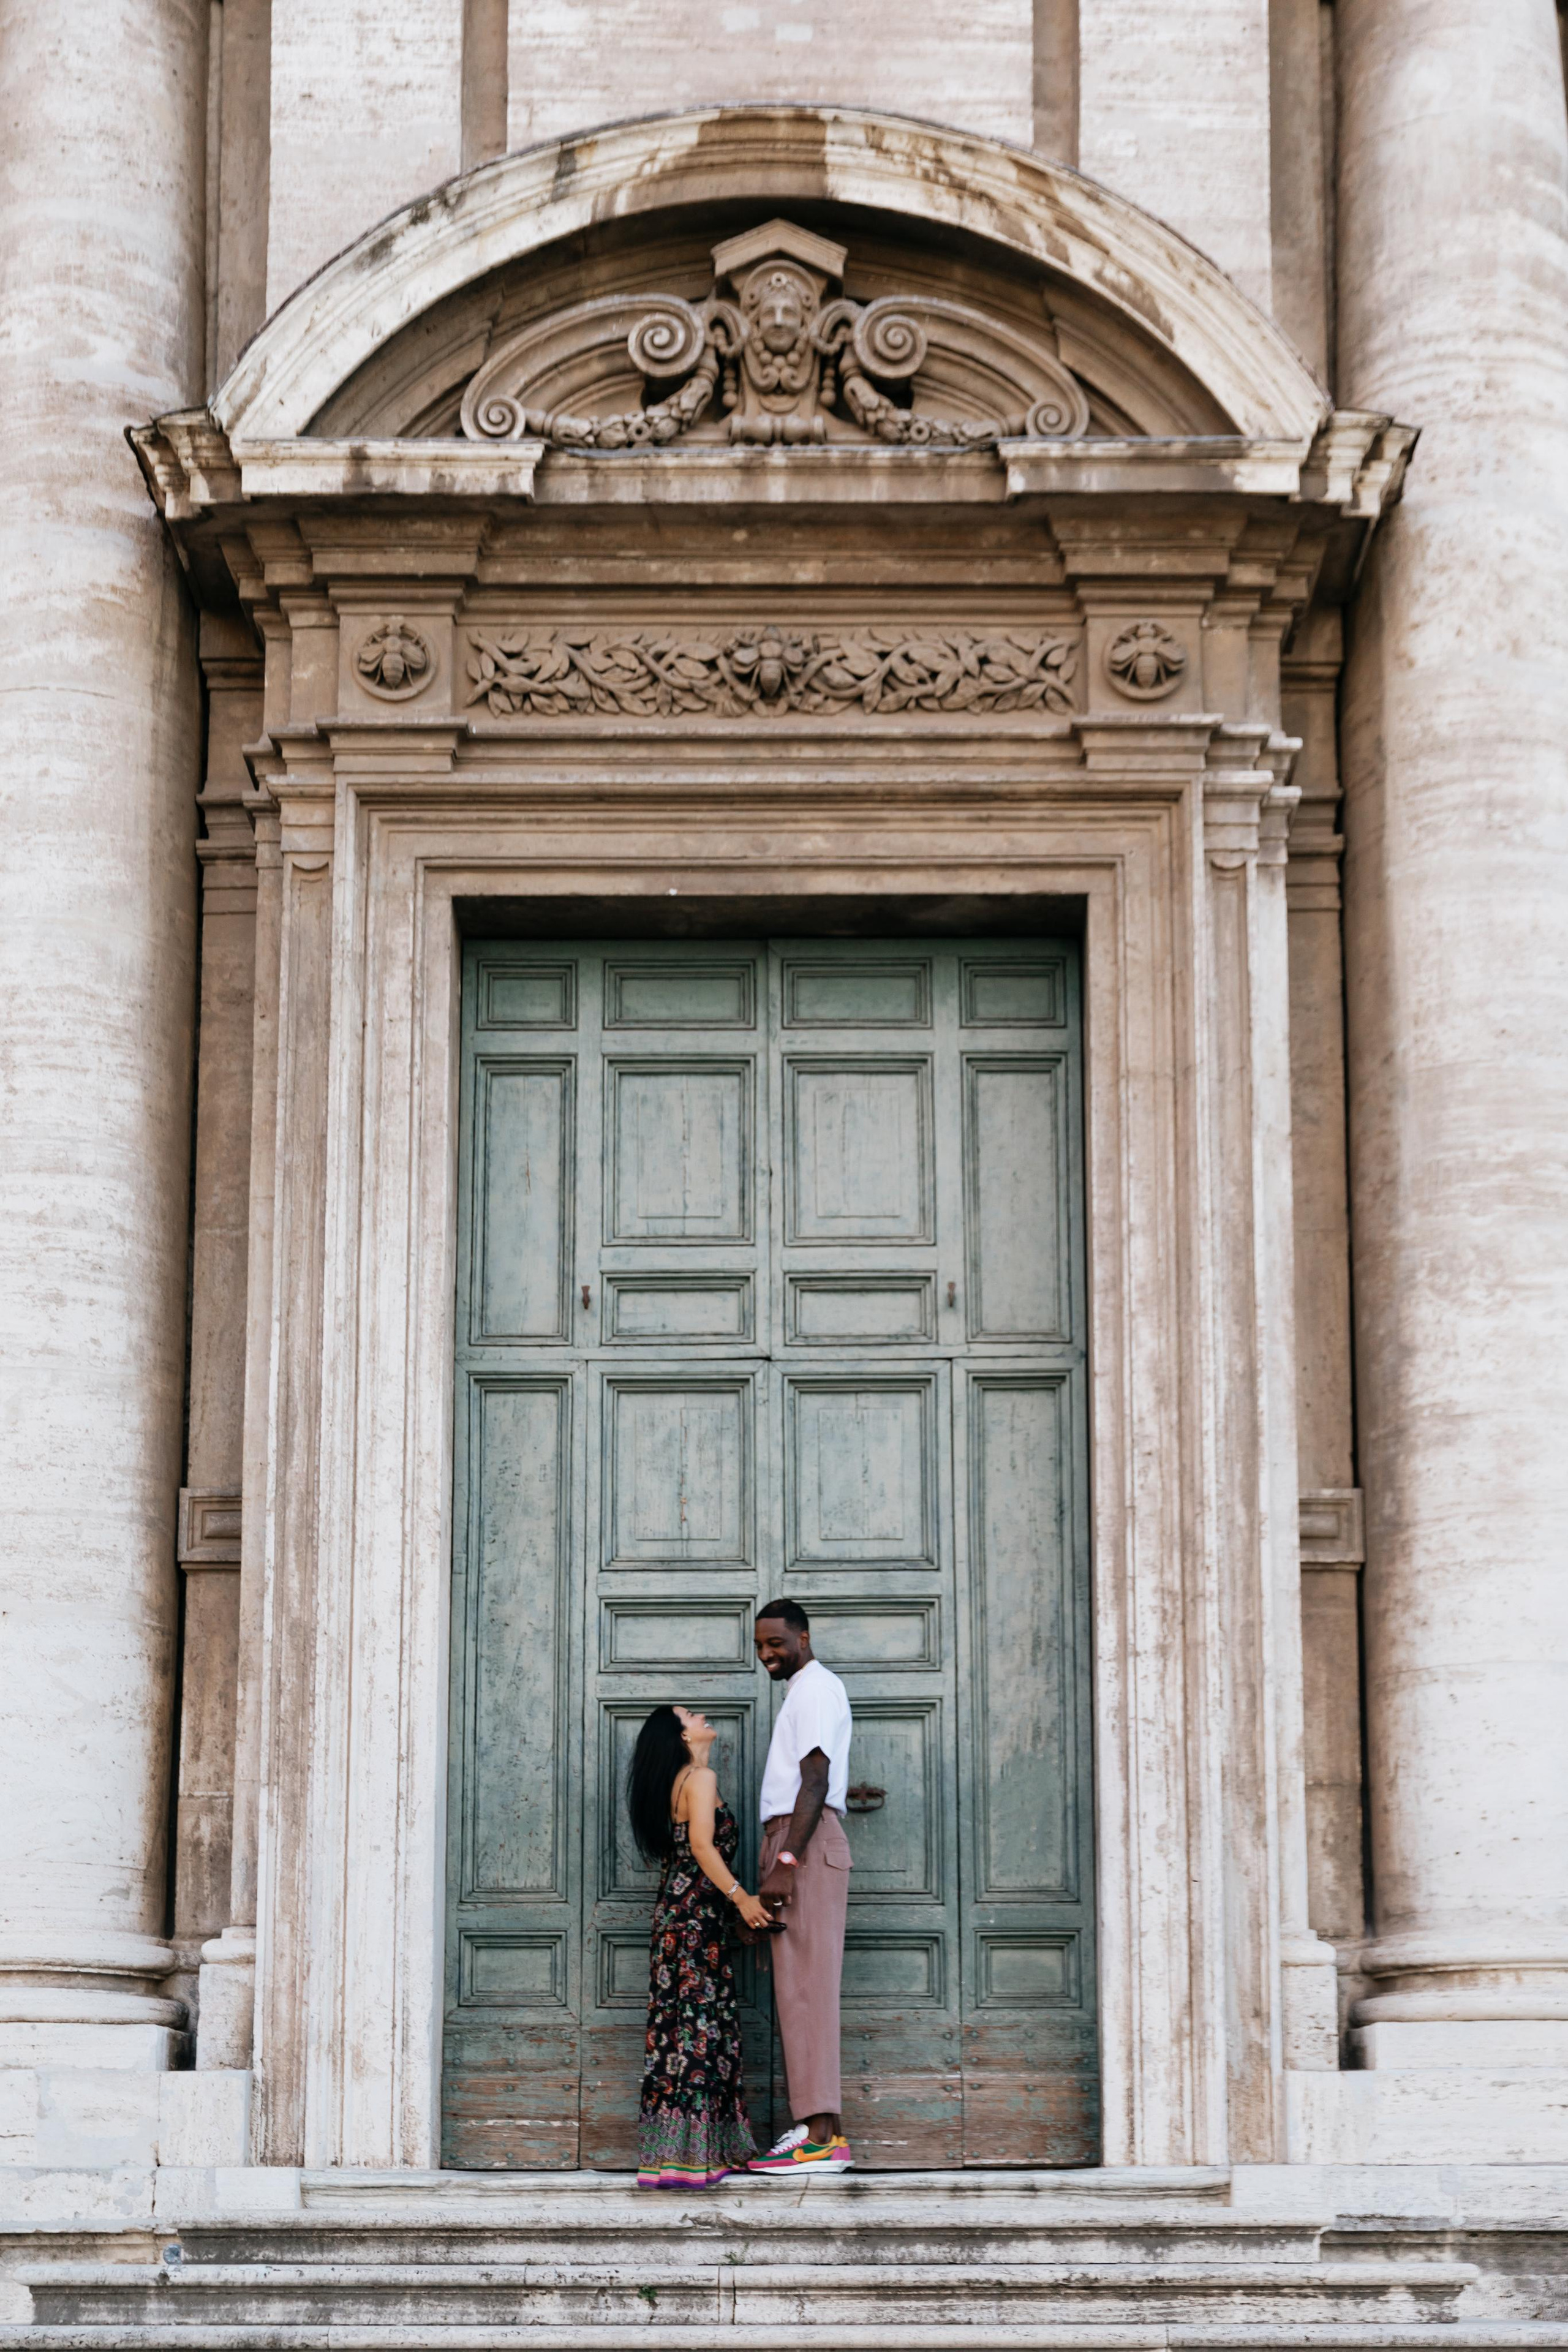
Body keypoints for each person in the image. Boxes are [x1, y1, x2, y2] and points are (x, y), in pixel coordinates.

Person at [628, 1703, 772, 2188]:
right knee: (698, 2033)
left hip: (678, 1919)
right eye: (691, 1714)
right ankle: (697, 2158)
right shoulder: (699, 1778)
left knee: (681, 2035)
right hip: (694, 1922)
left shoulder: (681, 1781)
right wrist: (743, 1900)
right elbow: (703, 1848)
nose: (702, 1715)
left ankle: (679, 2157)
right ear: (682, 1736)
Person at [748, 1599, 856, 2174]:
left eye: (776, 1644)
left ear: (804, 1638)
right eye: (760, 1646)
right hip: (796, 1837)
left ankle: (817, 2138)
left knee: (806, 1991)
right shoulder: (806, 1691)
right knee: (801, 1989)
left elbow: (816, 1777)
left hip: (803, 1840)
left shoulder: (814, 1689)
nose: (767, 1655)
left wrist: (787, 1858)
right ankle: (824, 2136)